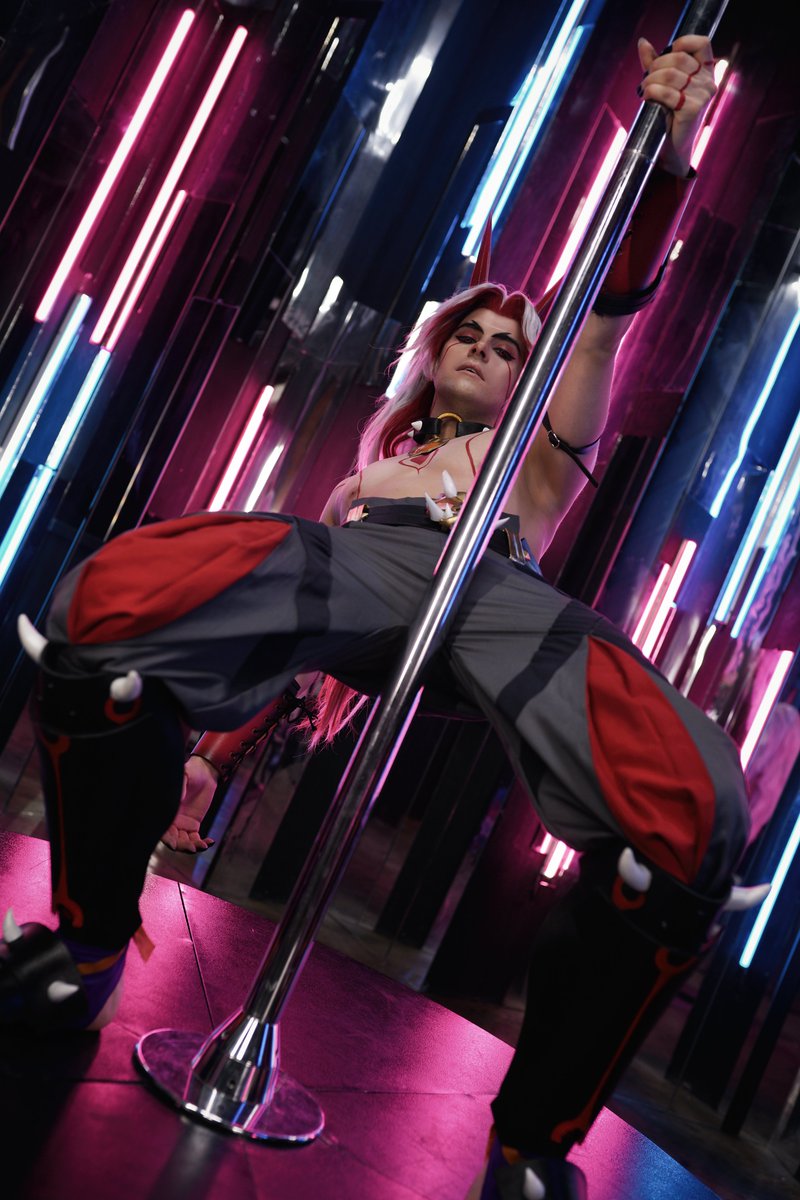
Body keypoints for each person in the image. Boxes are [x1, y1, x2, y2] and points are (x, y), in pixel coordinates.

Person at [0, 35, 757, 1200]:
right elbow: (306, 621)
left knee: (686, 813)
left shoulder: (538, 451)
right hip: (368, 573)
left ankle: (530, 1148)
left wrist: (666, 153)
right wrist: (215, 746)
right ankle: (89, 945)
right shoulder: (368, 472)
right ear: (433, 354)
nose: (489, 354)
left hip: (498, 596)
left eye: (509, 350)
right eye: (472, 337)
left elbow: (602, 323)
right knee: (112, 607)